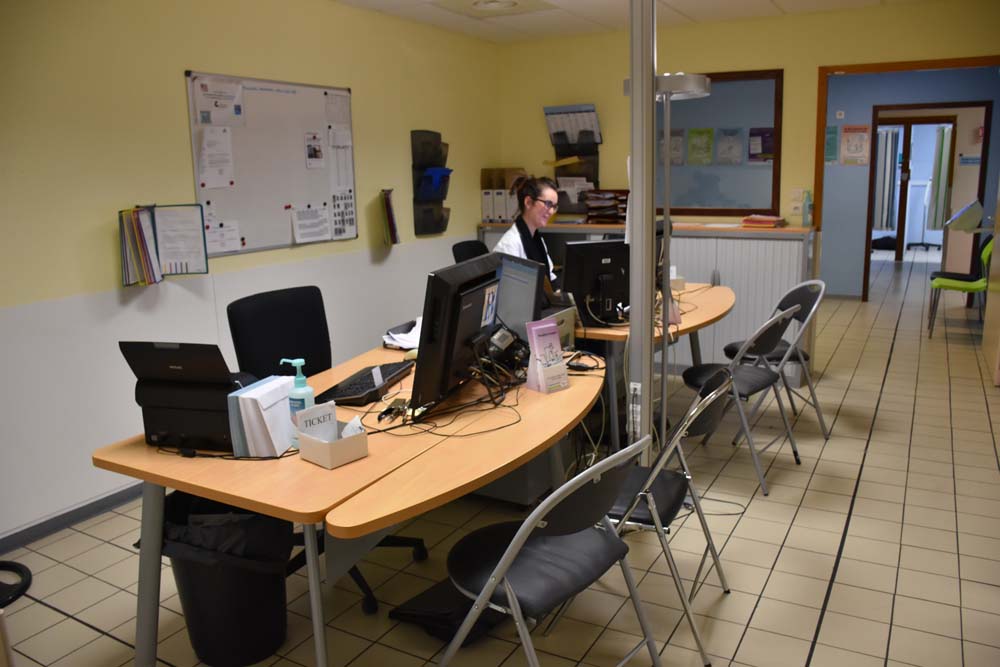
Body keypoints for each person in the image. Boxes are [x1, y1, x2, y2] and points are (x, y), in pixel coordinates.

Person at [493, 175, 559, 284]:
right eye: (548, 204)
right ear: (528, 202)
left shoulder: (538, 240)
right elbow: (509, 289)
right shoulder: (510, 245)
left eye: (554, 206)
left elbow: (549, 276)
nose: (551, 211)